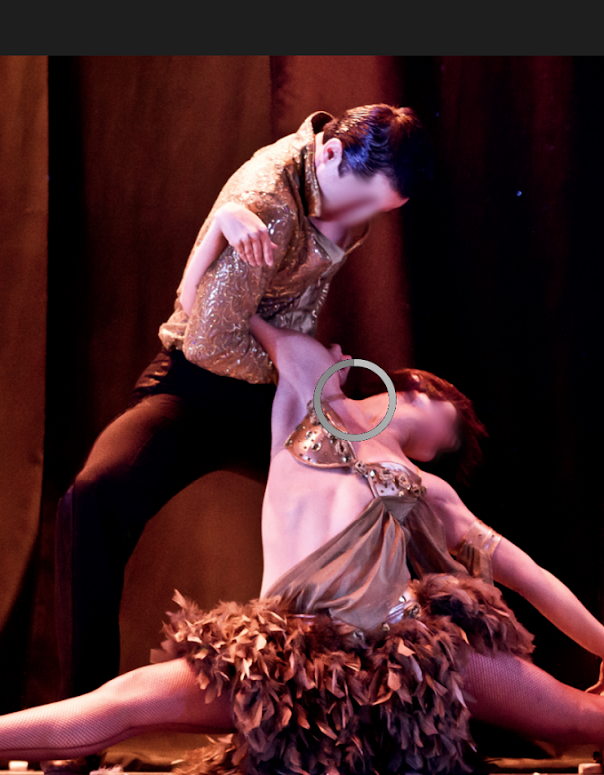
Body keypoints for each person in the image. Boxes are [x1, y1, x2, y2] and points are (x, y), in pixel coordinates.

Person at [0, 318, 604, 775]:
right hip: (283, 658)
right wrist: (260, 236)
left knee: (572, 709)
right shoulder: (310, 416)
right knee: (117, 702)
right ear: (415, 392)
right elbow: (272, 326)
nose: (443, 442)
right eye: (445, 422)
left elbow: (523, 571)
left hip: (399, 659)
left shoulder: (417, 484)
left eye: (444, 442)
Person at [56, 104, 433, 701]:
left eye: (375, 210)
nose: (359, 220)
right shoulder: (268, 202)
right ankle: (82, 715)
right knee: (94, 497)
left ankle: (426, 695)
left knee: (391, 498)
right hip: (197, 386)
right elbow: (209, 342)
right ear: (330, 153)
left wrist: (301, 365)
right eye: (360, 201)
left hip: (277, 392)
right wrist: (300, 361)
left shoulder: (339, 183)